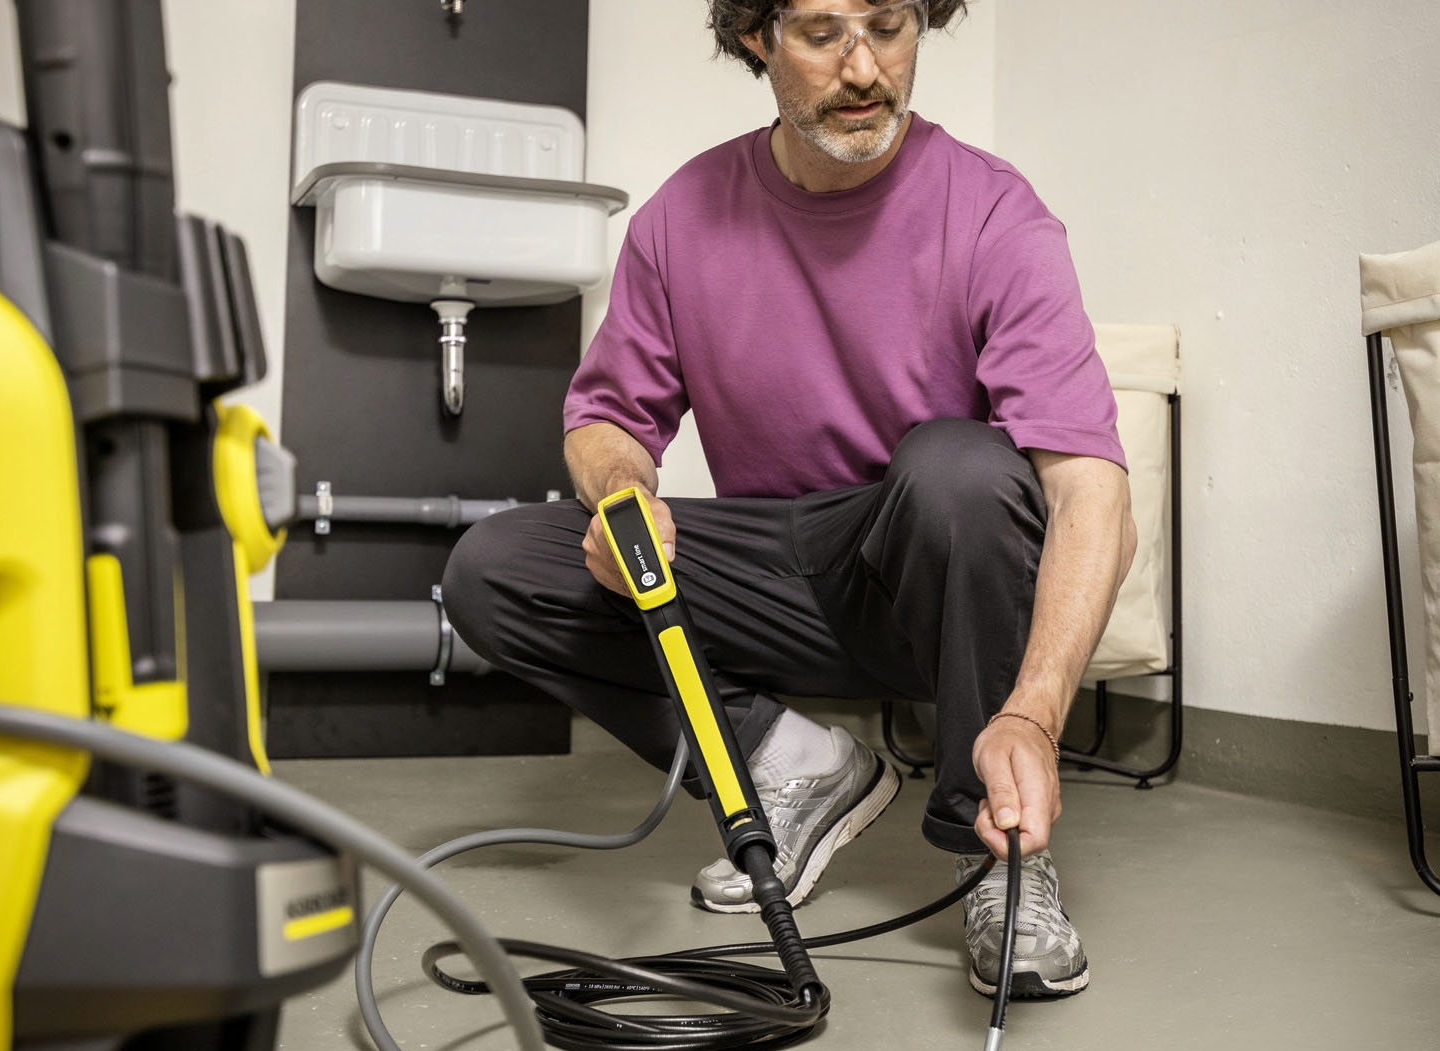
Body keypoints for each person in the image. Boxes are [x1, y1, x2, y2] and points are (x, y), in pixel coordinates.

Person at [443, 0, 1135, 1000]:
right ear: (755, 36)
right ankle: (792, 762)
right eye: (821, 33)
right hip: (775, 570)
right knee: (495, 567)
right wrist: (622, 495)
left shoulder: (993, 212)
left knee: (960, 468)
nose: (864, 68)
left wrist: (1032, 713)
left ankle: (998, 856)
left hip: (929, 582)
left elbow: (1091, 496)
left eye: (889, 26)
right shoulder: (683, 217)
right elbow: (605, 422)